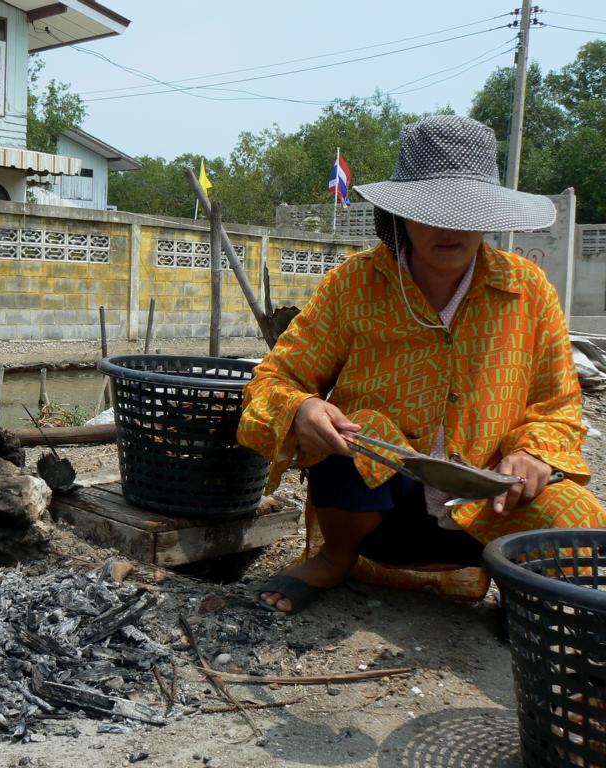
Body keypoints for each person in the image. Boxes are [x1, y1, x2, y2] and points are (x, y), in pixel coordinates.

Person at [237, 114, 606, 614]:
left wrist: (533, 454)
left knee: (584, 525)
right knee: (361, 430)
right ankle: (336, 558)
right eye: (431, 210)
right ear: (400, 215)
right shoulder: (355, 285)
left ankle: (523, 595)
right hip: (375, 513)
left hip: (486, 506)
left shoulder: (527, 289)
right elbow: (274, 378)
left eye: (466, 210)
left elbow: (558, 404)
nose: (449, 227)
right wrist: (302, 409)